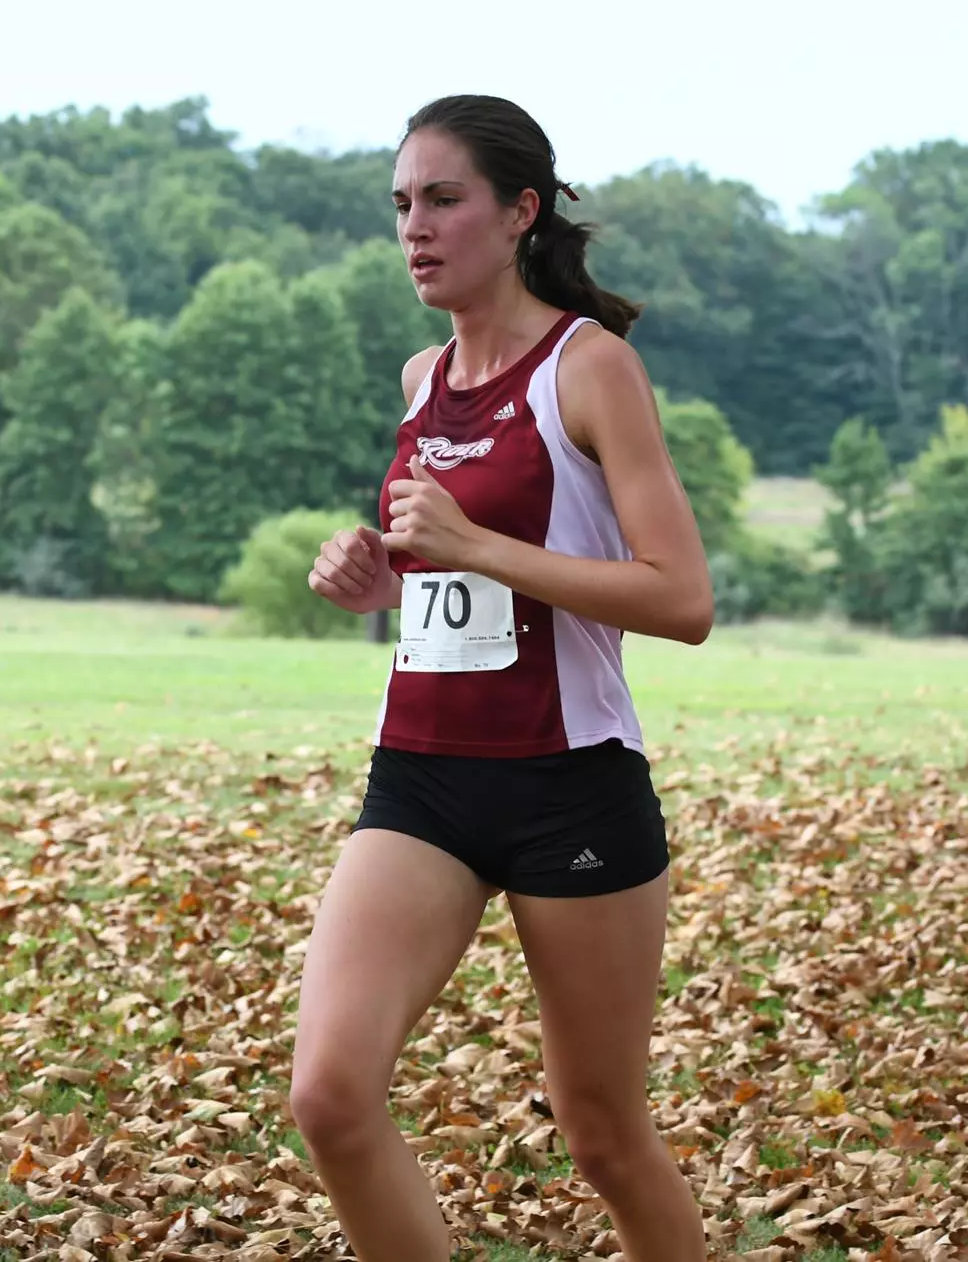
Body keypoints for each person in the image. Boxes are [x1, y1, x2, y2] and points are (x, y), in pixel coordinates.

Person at [292, 93, 713, 1262]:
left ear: (520, 211)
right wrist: (384, 580)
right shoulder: (422, 380)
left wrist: (476, 546)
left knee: (601, 1133)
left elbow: (681, 600)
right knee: (328, 1095)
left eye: (443, 199)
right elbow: (461, 591)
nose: (414, 228)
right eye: (400, 206)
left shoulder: (591, 370)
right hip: (422, 779)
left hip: (569, 784)